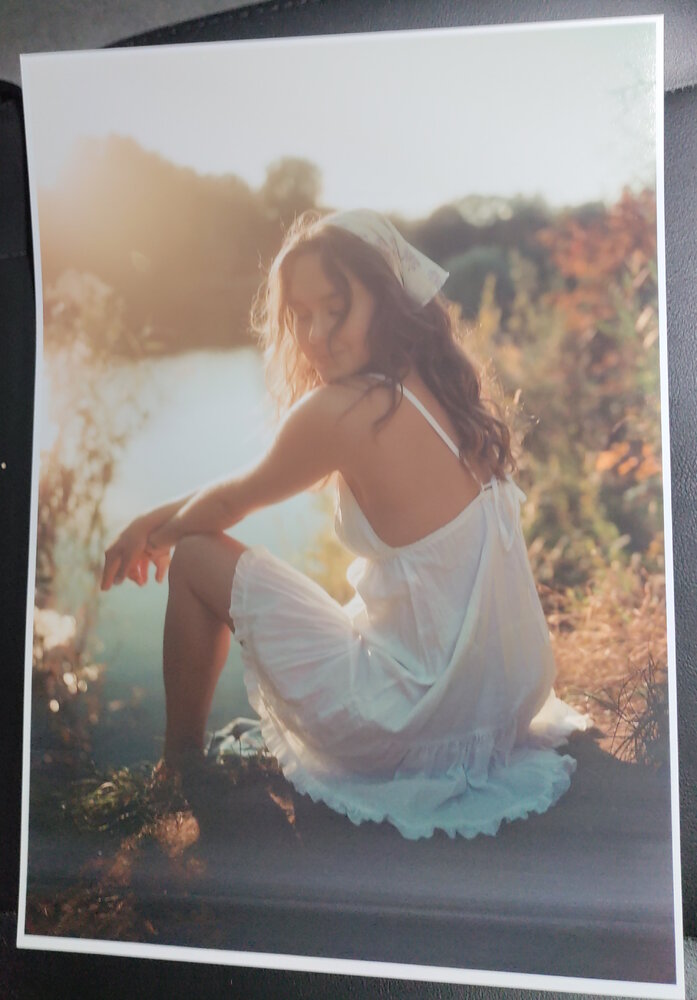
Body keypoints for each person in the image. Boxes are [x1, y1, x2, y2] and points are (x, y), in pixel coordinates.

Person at [100, 208, 591, 841]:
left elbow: (226, 506)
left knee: (195, 556)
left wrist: (155, 533)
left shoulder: (345, 409)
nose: (316, 335)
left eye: (335, 309)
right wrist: (152, 520)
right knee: (272, 571)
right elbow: (241, 486)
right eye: (301, 315)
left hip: (416, 721)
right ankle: (183, 767)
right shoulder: (439, 386)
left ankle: (177, 769)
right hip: (498, 706)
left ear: (388, 300)